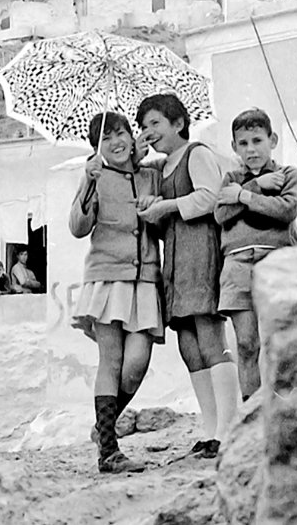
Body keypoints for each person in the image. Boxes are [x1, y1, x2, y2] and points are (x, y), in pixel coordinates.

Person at [135, 93, 240, 460]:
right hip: (176, 262)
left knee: (210, 337)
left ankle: (229, 430)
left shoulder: (197, 154)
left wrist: (167, 205)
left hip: (202, 253)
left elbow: (211, 198)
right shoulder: (161, 169)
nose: (148, 133)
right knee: (188, 346)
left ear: (178, 123)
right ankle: (210, 431)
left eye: (155, 124)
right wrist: (155, 209)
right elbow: (171, 216)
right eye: (143, 126)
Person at [70, 111, 164, 474]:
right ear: (98, 146)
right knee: (111, 361)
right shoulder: (96, 176)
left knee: (136, 365)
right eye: (107, 137)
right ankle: (108, 452)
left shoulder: (150, 175)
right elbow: (78, 227)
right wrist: (87, 182)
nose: (117, 142)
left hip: (144, 280)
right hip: (107, 276)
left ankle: (102, 428)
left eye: (121, 133)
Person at [213, 109, 297, 401]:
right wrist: (254, 186)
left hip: (276, 263)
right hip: (237, 265)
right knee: (247, 343)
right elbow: (221, 214)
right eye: (243, 143)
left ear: (272, 140)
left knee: (279, 342)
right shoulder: (231, 177)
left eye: (257, 140)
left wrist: (243, 196)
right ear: (234, 147)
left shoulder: (289, 174)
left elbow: (287, 209)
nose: (250, 149)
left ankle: (287, 414)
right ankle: (252, 419)